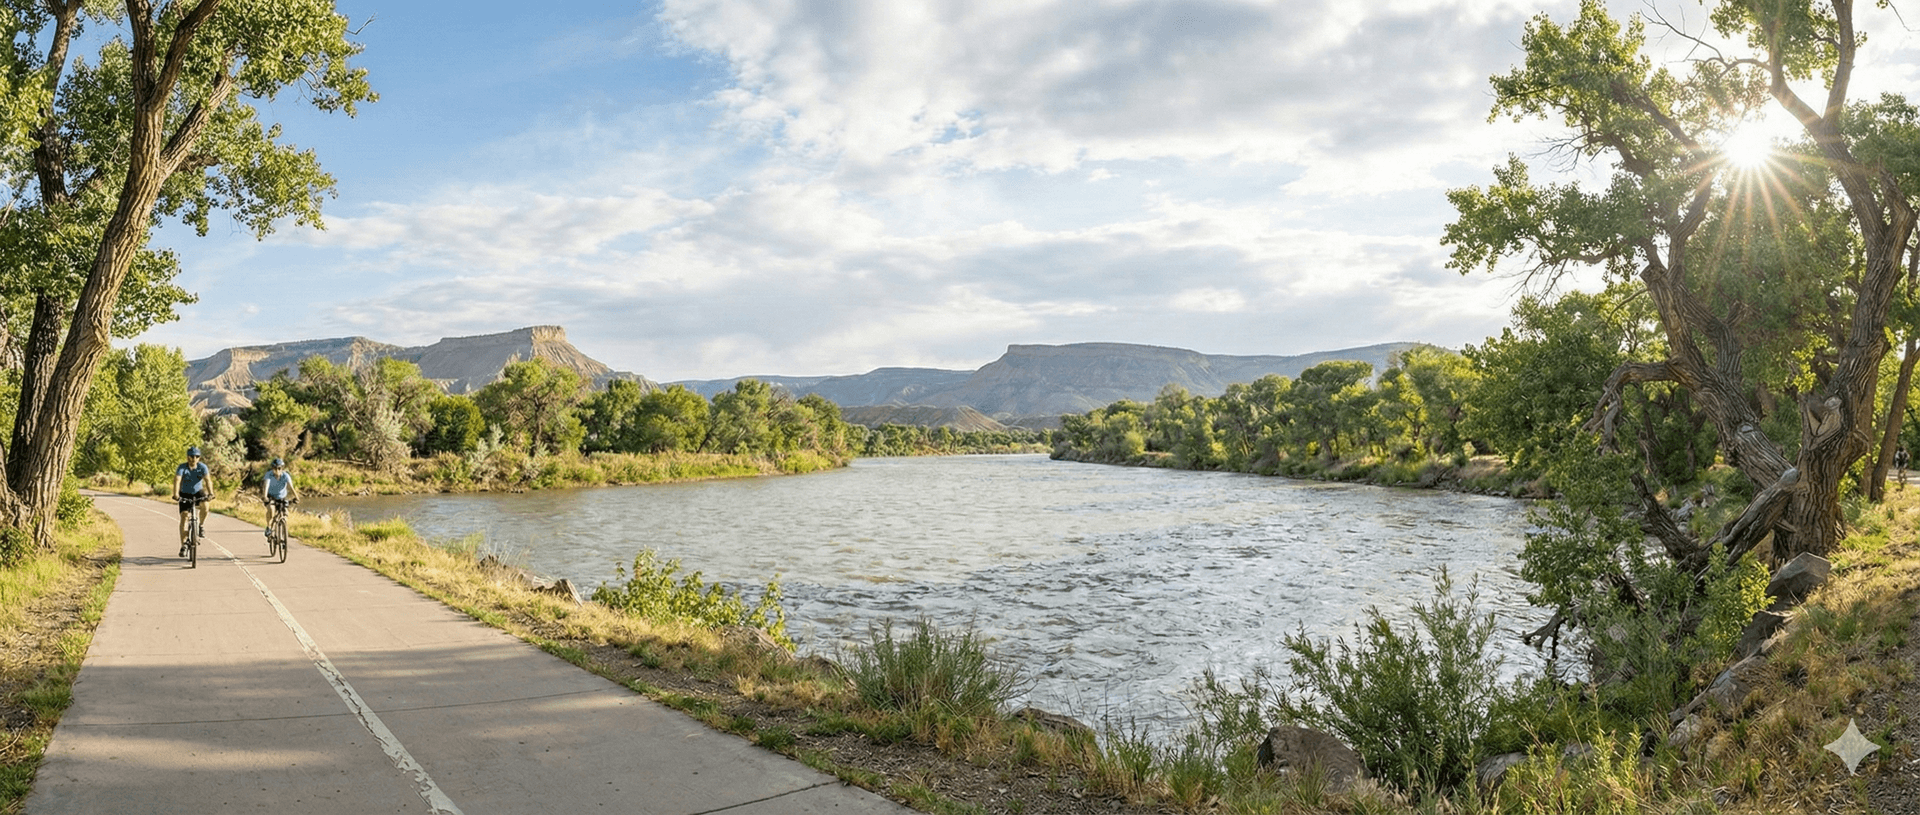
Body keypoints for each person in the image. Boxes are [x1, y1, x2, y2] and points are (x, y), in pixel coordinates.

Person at [172, 446, 211, 557]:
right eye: (192, 456)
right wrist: (175, 494)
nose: (194, 458)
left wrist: (211, 493)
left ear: (199, 458)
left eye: (197, 456)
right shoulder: (182, 467)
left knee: (205, 506)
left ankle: (201, 525)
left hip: (198, 491)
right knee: (184, 516)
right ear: (188, 457)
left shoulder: (202, 467)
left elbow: (208, 480)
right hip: (185, 493)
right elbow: (177, 480)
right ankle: (184, 544)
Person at [260, 458, 298, 544]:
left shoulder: (285, 476)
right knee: (271, 509)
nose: (277, 470)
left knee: (285, 513)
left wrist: (296, 497)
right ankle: (269, 527)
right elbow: (266, 485)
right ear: (272, 468)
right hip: (271, 496)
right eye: (275, 468)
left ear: (282, 468)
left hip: (282, 497)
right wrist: (265, 496)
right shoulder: (268, 475)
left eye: (279, 468)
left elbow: (291, 487)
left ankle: (283, 533)